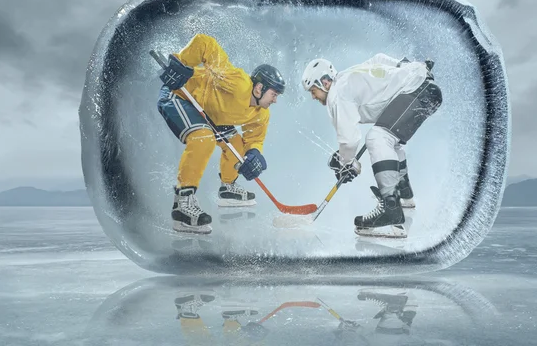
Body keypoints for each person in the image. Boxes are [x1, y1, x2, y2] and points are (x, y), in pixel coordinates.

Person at [301, 53, 442, 238]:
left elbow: (349, 139)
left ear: (324, 83)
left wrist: (347, 163)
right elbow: (378, 59)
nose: (313, 97)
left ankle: (391, 209)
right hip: (426, 90)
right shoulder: (348, 76)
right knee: (390, 142)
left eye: (313, 90)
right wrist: (404, 64)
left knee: (378, 138)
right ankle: (404, 195)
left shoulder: (338, 93)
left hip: (418, 91)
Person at [156, 33, 285, 235]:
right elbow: (205, 43)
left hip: (211, 114)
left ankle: (227, 188)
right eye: (274, 94)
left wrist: (254, 155)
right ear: (260, 88)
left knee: (238, 148)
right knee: (203, 138)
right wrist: (182, 63)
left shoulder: (261, 114)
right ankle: (183, 204)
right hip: (181, 96)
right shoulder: (239, 83)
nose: (275, 100)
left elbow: (255, 139)